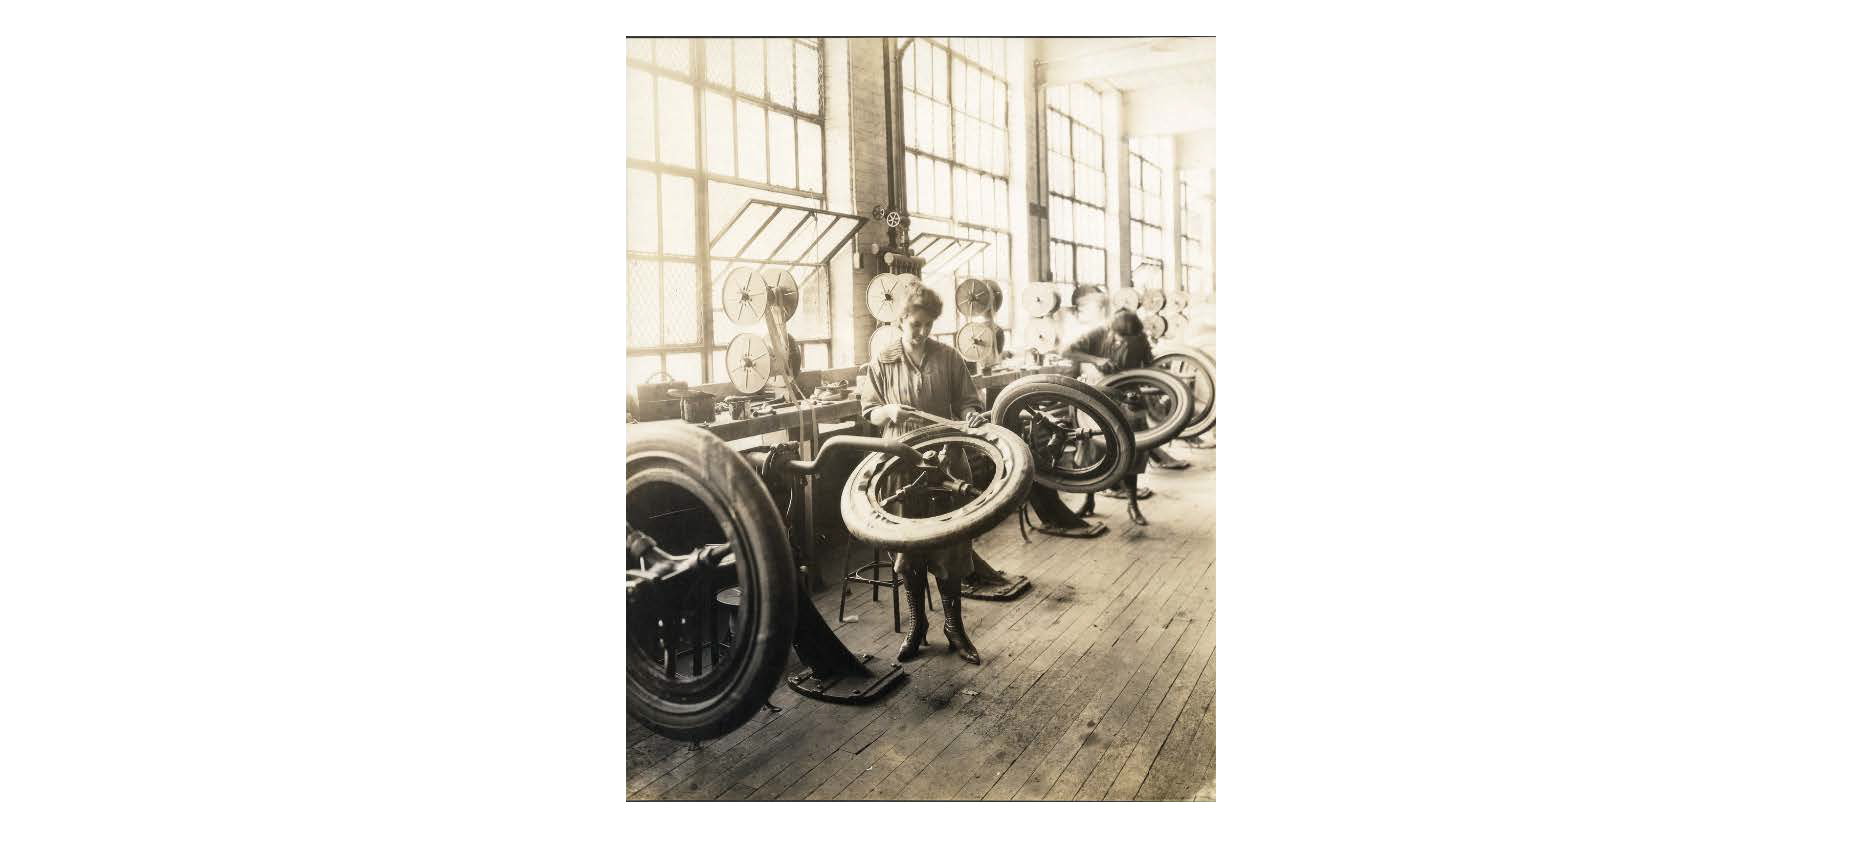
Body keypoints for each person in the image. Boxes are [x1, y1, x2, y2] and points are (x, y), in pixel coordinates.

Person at [858, 287, 989, 665]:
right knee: (907, 548)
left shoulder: (948, 357)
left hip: (946, 463)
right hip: (901, 464)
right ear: (900, 320)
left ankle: (954, 627)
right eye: (915, 324)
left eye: (928, 325)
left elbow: (968, 403)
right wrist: (888, 412)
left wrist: (971, 415)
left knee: (951, 547)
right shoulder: (882, 360)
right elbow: (869, 411)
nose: (922, 332)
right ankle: (917, 625)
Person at [1064, 308, 1157, 524]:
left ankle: (1133, 505)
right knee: (1091, 450)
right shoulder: (1098, 333)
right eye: (1120, 337)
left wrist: (1144, 385)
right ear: (1111, 330)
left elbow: (1150, 367)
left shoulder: (1140, 338)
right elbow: (1067, 351)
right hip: (1099, 396)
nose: (1124, 341)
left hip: (1129, 398)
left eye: (1129, 338)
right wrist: (1096, 359)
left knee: (1132, 450)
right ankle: (1088, 501)